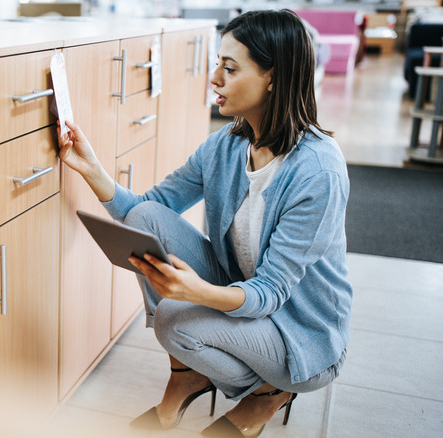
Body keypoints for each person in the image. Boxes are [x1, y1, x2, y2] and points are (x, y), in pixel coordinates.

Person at [57, 9, 351, 438]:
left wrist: (196, 293)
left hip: (299, 331)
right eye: (217, 64)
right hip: (244, 293)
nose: (214, 78)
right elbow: (146, 210)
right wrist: (92, 169)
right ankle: (189, 372)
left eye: (229, 68)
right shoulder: (224, 147)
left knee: (174, 320)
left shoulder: (318, 171)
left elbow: (271, 293)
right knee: (144, 220)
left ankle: (272, 391)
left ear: (273, 77)